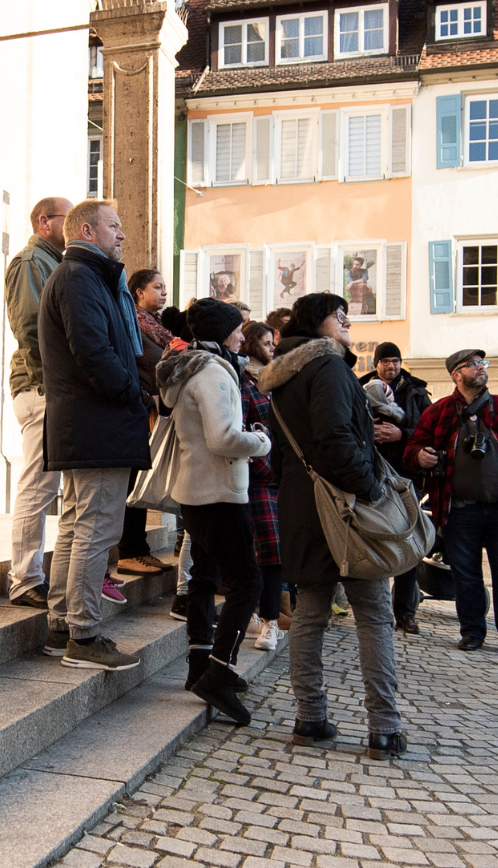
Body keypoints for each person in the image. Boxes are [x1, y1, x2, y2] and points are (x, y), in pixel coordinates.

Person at [259, 293, 406, 759]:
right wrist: (371, 489)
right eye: (338, 315)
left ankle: (310, 718)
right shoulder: (327, 368)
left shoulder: (285, 372)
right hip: (344, 505)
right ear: (315, 323)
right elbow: (336, 438)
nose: (347, 322)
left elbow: (281, 455)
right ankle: (384, 727)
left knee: (309, 614)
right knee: (374, 615)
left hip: (304, 507)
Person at [39, 200, 150, 671]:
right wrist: (134, 393)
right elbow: (95, 354)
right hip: (97, 422)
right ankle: (84, 637)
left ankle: (62, 624)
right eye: (114, 226)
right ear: (87, 229)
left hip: (87, 422)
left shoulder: (81, 276)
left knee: (76, 525)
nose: (121, 235)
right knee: (94, 528)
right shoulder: (80, 277)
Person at [156, 299, 270, 724]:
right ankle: (219, 672)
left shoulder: (188, 366)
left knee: (203, 578)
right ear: (223, 333)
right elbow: (223, 438)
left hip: (195, 489)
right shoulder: (213, 372)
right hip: (219, 493)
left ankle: (198, 665)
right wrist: (262, 441)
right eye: (239, 329)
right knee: (248, 582)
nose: (244, 335)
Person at [404, 348, 498, 656]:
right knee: (466, 576)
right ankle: (472, 632)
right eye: (472, 365)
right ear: (456, 375)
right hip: (459, 510)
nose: (481, 368)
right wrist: (420, 455)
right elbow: (412, 451)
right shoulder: (440, 411)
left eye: (482, 363)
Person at [5, 195, 73, 607]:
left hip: (52, 388)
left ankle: (33, 575)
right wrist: (59, 380)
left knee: (46, 485)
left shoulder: (56, 263)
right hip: (41, 387)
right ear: (45, 221)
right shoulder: (33, 261)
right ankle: (25, 579)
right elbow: (31, 329)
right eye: (69, 219)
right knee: (38, 485)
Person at [360, 343, 431, 633]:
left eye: (396, 361)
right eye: (386, 361)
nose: (391, 366)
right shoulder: (359, 387)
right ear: (376, 364)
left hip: (404, 476)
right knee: (369, 538)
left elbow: (428, 431)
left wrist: (402, 434)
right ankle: (371, 608)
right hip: (370, 474)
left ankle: (404, 609)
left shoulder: (416, 392)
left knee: (407, 541)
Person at [116, 269, 175, 576]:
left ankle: (140, 549)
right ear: (138, 291)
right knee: (132, 482)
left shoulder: (157, 326)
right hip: (140, 409)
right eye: (158, 287)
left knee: (140, 480)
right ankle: (128, 551)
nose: (164, 292)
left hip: (154, 409)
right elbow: (127, 364)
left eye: (165, 287)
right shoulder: (131, 322)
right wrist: (145, 398)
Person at [240, 342, 286, 650]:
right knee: (266, 551)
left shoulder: (278, 384)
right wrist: (263, 465)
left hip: (284, 478)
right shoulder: (246, 385)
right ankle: (263, 618)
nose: (273, 346)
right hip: (259, 479)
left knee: (278, 553)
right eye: (268, 342)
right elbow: (241, 431)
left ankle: (271, 618)